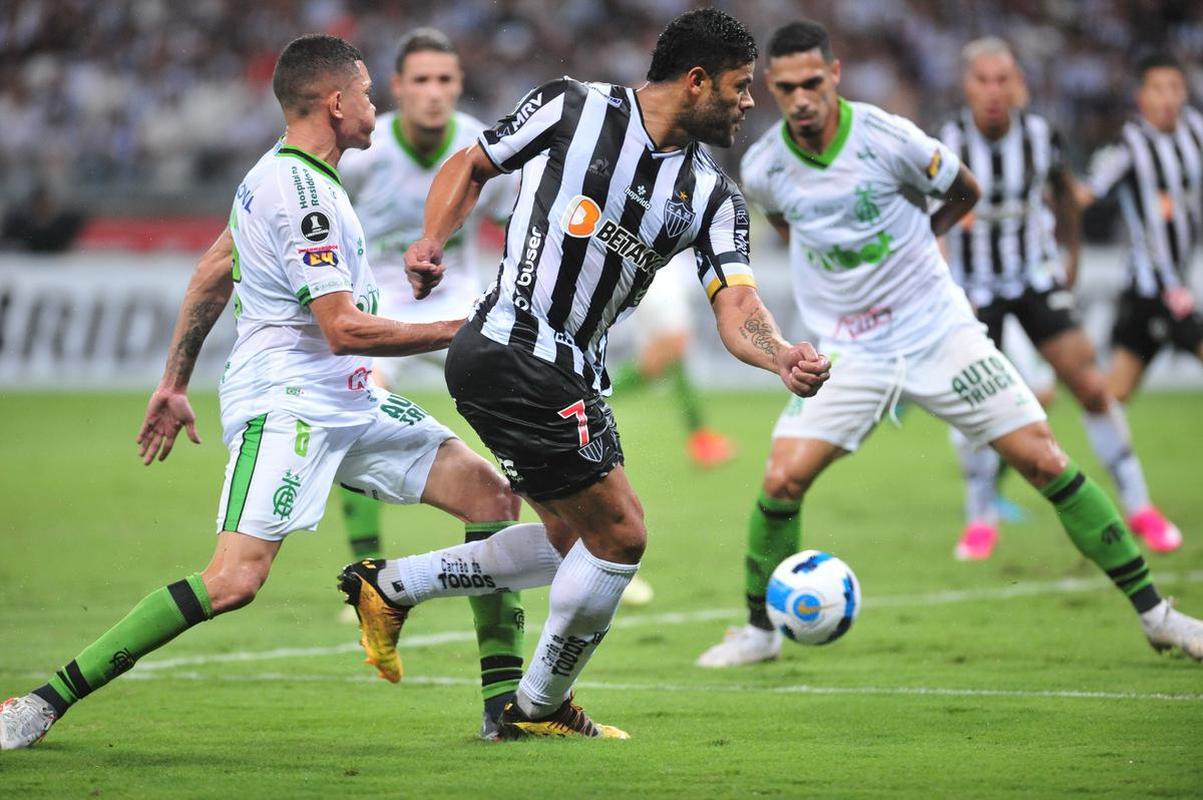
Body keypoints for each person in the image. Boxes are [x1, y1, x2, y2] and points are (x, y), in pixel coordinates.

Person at [0, 34, 521, 751]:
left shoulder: (290, 176)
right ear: (337, 103)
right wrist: (466, 328)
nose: (378, 105)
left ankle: (503, 706)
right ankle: (39, 702)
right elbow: (341, 329)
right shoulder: (300, 193)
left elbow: (216, 269)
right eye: (368, 92)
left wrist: (174, 381)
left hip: (350, 397)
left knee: (491, 498)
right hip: (289, 402)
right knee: (234, 580)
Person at [335, 8, 830, 740]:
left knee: (577, 544)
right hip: (512, 346)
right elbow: (474, 162)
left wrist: (778, 350)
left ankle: (392, 585)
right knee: (622, 535)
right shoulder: (573, 106)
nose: (749, 101)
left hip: (564, 370)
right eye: (739, 86)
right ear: (696, 82)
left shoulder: (712, 195)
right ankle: (533, 708)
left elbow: (737, 303)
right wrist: (430, 240)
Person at [695, 20, 1203, 669]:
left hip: (937, 328)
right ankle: (760, 632)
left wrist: (922, 239)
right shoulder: (764, 164)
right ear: (770, 84)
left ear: (835, 75)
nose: (800, 98)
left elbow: (964, 186)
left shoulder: (887, 137)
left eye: (812, 83)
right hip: (848, 348)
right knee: (780, 479)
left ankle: (1158, 617)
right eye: (787, 86)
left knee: (1044, 460)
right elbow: (785, 225)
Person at [938, 37, 1179, 560]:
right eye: (984, 80)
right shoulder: (947, 140)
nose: (994, 91)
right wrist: (942, 281)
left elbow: (1066, 197)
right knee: (978, 405)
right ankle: (980, 518)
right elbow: (926, 214)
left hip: (1034, 278)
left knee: (1091, 385)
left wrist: (1069, 262)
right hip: (973, 288)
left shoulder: (1041, 135)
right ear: (967, 86)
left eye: (1004, 79)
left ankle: (1139, 506)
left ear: (1017, 83)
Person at [334, 29, 522, 578]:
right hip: (377, 306)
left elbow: (517, 229)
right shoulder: (364, 153)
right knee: (357, 409)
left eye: (445, 80)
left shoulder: (481, 147)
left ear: (459, 85)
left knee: (529, 405)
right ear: (397, 87)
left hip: (459, 302)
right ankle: (364, 569)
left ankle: (589, 543)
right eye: (421, 80)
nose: (434, 92)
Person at [1077, 53, 1203, 409]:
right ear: (1141, 97)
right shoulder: (1129, 146)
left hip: (1159, 291)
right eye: (1158, 88)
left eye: (1175, 88)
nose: (1167, 97)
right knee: (1111, 394)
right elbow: (1086, 194)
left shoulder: (1195, 132)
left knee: (1113, 395)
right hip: (1155, 286)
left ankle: (1092, 458)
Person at [608, 250, 737, 470]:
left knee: (658, 363)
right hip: (662, 278)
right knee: (672, 350)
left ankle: (700, 439)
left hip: (656, 276)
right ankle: (700, 440)